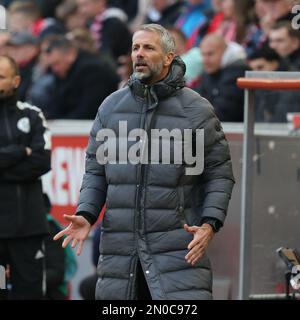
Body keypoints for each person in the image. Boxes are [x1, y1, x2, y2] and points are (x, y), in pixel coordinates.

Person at [54, 24, 235, 300]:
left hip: (178, 252)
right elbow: (96, 171)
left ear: (168, 58)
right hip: (121, 251)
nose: (139, 54)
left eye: (148, 47)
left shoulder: (196, 110)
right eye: (135, 47)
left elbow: (219, 174)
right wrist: (87, 212)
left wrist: (210, 223)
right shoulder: (111, 108)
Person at [0, 55, 51, 299]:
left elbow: (41, 162)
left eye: (0, 77)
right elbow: (30, 160)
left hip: (27, 230)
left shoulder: (32, 115)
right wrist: (21, 151)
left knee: (28, 294)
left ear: (16, 80)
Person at [41, 35, 120, 119]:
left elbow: (88, 111)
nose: (54, 69)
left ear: (70, 54)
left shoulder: (93, 70)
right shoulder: (64, 71)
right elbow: (56, 106)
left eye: (56, 63)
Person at [196, 33, 247, 122]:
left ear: (225, 53)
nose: (205, 60)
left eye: (210, 54)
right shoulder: (209, 72)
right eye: (203, 55)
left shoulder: (237, 71)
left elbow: (222, 113)